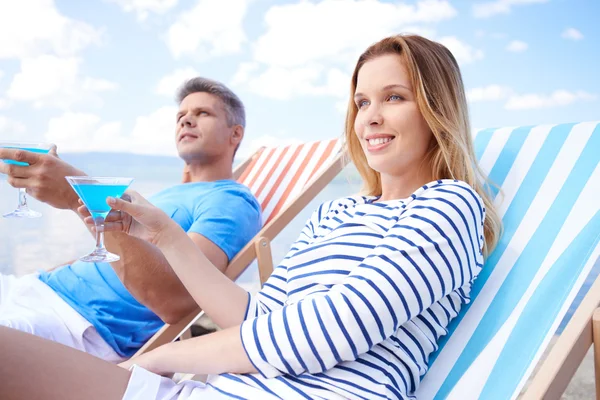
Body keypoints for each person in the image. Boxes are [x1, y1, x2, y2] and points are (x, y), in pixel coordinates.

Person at [0, 34, 502, 399]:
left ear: (435, 110)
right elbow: (257, 318)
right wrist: (168, 235)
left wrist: (162, 358)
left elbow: (327, 332)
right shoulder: (338, 212)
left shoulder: (450, 206)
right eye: (361, 101)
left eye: (394, 98)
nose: (369, 116)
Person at [0, 77, 262, 362]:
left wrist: (81, 195)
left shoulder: (231, 201)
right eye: (181, 116)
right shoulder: (174, 193)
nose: (186, 121)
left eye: (202, 113)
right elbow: (111, 258)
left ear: (235, 134)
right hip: (34, 288)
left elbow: (176, 299)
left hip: (75, 322)